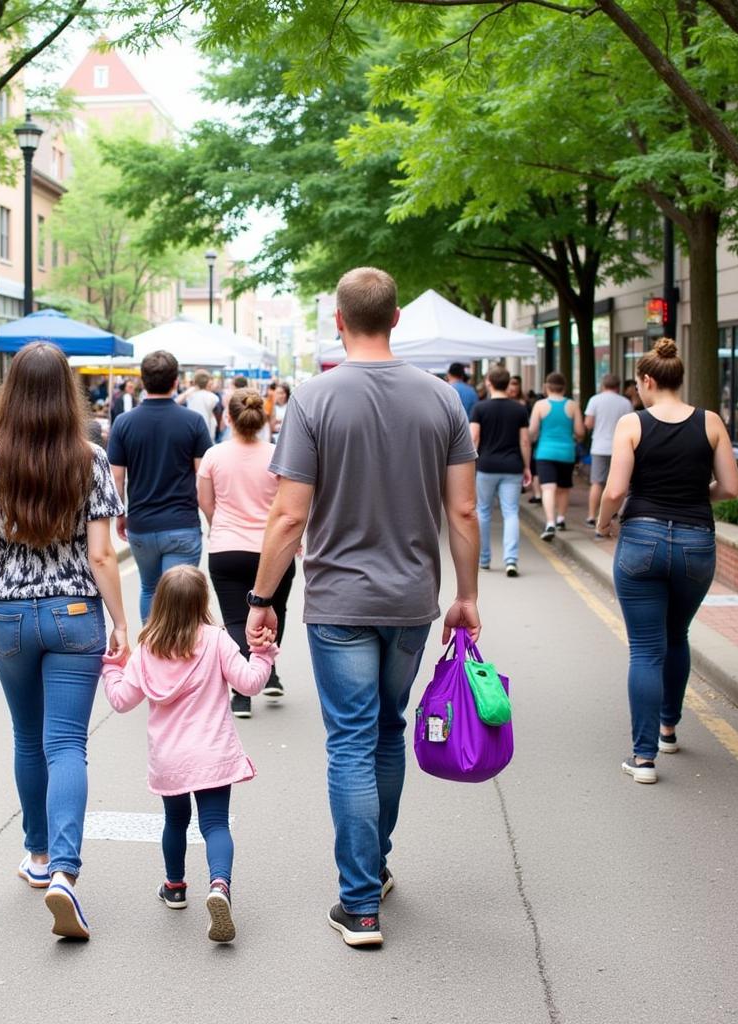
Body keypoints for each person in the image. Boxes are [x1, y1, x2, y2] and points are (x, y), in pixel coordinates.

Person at [245, 267, 480, 948]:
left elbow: (289, 518)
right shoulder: (442, 401)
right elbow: (462, 509)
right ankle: (373, 872)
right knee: (387, 731)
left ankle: (359, 905)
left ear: (340, 323)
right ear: (397, 318)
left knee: (349, 739)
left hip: (338, 601)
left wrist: (262, 599)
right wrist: (465, 596)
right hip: (412, 602)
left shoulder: (314, 400)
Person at [0, 342, 129, 940]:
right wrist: (121, 623)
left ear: (10, 390)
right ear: (67, 392)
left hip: (9, 615)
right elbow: (103, 553)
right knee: (67, 746)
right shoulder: (90, 458)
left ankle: (36, 857)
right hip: (74, 610)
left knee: (27, 739)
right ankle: (64, 870)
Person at [101, 565, 278, 943]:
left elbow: (120, 701)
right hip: (213, 754)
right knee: (215, 825)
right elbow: (249, 682)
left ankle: (175, 886)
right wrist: (263, 655)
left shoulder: (148, 649)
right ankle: (219, 887)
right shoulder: (216, 639)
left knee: (175, 821)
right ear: (202, 602)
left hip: (170, 760)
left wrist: (112, 668)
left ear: (160, 604)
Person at [596, 339, 738, 784]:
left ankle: (642, 759)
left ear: (647, 380)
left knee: (645, 649)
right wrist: (700, 495)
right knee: (677, 634)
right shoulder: (711, 422)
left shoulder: (631, 424)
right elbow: (730, 487)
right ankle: (669, 729)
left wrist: (603, 523)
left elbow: (616, 489)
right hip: (696, 542)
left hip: (642, 540)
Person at [198, 388, 295, 718]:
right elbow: (289, 505)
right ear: (264, 418)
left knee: (237, 620)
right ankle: (269, 672)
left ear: (228, 417)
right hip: (272, 549)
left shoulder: (214, 455)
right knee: (273, 612)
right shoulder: (279, 453)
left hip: (227, 548)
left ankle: (242, 693)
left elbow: (206, 501)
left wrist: (219, 525)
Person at [107, 350, 212, 622]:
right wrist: (212, 517)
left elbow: (116, 479)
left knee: (150, 589)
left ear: (142, 381)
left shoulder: (123, 423)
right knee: (180, 598)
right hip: (182, 524)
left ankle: (152, 655)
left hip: (141, 524)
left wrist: (121, 515)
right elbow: (204, 477)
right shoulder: (193, 422)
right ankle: (181, 658)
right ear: (175, 381)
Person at [470, 366, 532, 577]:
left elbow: (473, 439)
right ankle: (511, 560)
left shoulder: (480, 408)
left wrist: (469, 465)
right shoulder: (519, 409)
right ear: (508, 384)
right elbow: (525, 440)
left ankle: (484, 559)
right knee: (511, 512)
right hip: (512, 466)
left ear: (488, 382)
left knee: (483, 512)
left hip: (486, 466)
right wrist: (526, 466)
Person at [530, 372, 585, 541]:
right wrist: (575, 438)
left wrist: (535, 439)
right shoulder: (572, 405)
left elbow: (532, 431)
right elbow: (580, 432)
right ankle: (561, 519)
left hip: (545, 452)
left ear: (546, 387)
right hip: (566, 452)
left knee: (548, 488)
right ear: (564, 387)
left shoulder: (539, 405)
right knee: (563, 488)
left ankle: (550, 523)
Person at [584, 374, 633, 528]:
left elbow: (588, 423)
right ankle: (616, 514)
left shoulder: (594, 400)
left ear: (602, 385)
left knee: (597, 483)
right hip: (620, 448)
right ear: (618, 387)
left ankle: (592, 516)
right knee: (620, 483)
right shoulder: (625, 402)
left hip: (599, 446)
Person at [176, 369, 221, 442]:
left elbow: (176, 402)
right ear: (208, 383)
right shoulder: (213, 397)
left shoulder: (190, 394)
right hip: (206, 430)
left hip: (190, 428)